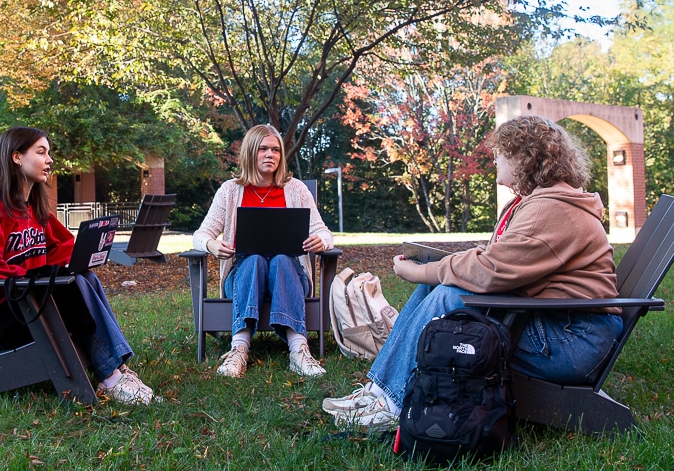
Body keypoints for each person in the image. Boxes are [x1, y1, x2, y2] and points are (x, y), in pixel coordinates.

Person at [321, 116, 622, 430]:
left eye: (501, 153)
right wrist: (434, 270)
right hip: (555, 324)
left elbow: (490, 271)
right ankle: (380, 392)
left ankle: (390, 405)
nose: (494, 160)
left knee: (451, 293)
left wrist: (418, 272)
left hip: (572, 341)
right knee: (438, 286)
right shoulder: (542, 202)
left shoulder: (553, 209)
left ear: (524, 157)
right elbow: (497, 262)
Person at [0, 126, 155, 405]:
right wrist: (32, 277)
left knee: (84, 277)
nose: (49, 160)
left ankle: (117, 370)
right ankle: (111, 376)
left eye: (49, 153)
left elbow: (64, 248)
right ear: (16, 157)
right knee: (73, 287)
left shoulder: (36, 210)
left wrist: (80, 258)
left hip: (26, 311)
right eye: (41, 152)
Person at [194, 124, 333, 378]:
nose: (270, 155)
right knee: (254, 259)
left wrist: (321, 242)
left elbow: (324, 232)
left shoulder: (296, 190)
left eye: (276, 150)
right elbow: (200, 235)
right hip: (245, 276)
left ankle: (299, 350)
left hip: (288, 275)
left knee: (281, 259)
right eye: (263, 149)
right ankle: (239, 349)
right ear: (250, 153)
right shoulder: (230, 191)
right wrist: (212, 245)